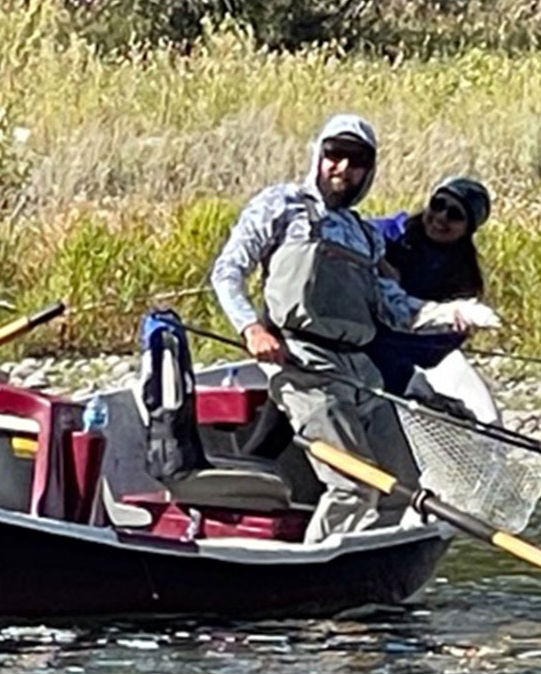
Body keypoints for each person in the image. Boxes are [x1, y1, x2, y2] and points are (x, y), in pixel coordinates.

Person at [210, 114, 497, 542]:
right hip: (305, 365)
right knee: (354, 485)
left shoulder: (365, 235)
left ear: (369, 169)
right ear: (319, 155)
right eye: (335, 154)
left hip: (361, 372)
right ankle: (313, 577)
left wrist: (454, 312)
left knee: (402, 484)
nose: (343, 167)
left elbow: (395, 308)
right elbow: (227, 271)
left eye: (357, 159)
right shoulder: (281, 205)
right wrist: (251, 327)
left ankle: (367, 565)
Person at [368, 176, 502, 423]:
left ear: (467, 229)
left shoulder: (463, 276)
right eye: (438, 204)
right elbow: (350, 238)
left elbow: (439, 344)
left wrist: (454, 330)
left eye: (454, 215)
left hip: (409, 343)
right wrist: (381, 263)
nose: (441, 217)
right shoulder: (388, 231)